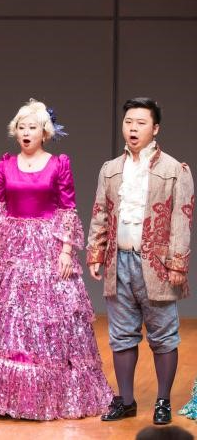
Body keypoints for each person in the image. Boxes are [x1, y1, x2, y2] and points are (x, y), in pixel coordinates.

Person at [0, 99, 113, 419]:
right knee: (13, 317)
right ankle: (12, 398)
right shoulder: (5, 165)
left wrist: (66, 250)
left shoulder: (58, 164)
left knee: (49, 318)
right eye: (21, 127)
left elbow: (67, 209)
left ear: (44, 132)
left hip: (47, 247)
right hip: (13, 247)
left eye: (32, 127)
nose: (26, 133)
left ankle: (49, 395)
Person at [87, 98, 193, 425]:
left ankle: (162, 401)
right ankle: (127, 400)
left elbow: (182, 219)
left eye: (141, 123)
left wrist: (177, 264)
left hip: (156, 265)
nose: (133, 128)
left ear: (155, 128)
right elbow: (100, 212)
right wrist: (96, 252)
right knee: (121, 334)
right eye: (129, 122)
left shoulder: (174, 170)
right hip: (119, 262)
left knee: (163, 335)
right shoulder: (110, 169)